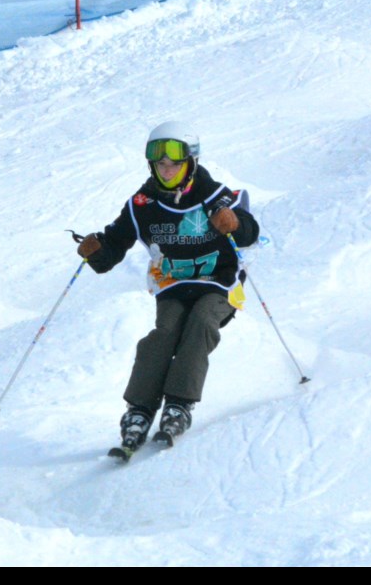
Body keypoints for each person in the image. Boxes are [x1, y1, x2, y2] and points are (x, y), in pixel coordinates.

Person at [77, 121, 260, 450]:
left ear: (190, 162)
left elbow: (249, 231)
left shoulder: (214, 197)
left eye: (174, 163)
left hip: (219, 281)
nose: (167, 169)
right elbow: (113, 248)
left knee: (202, 321)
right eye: (160, 163)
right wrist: (96, 252)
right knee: (166, 331)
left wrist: (235, 223)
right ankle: (140, 409)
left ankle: (179, 403)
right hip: (173, 283)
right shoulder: (142, 205)